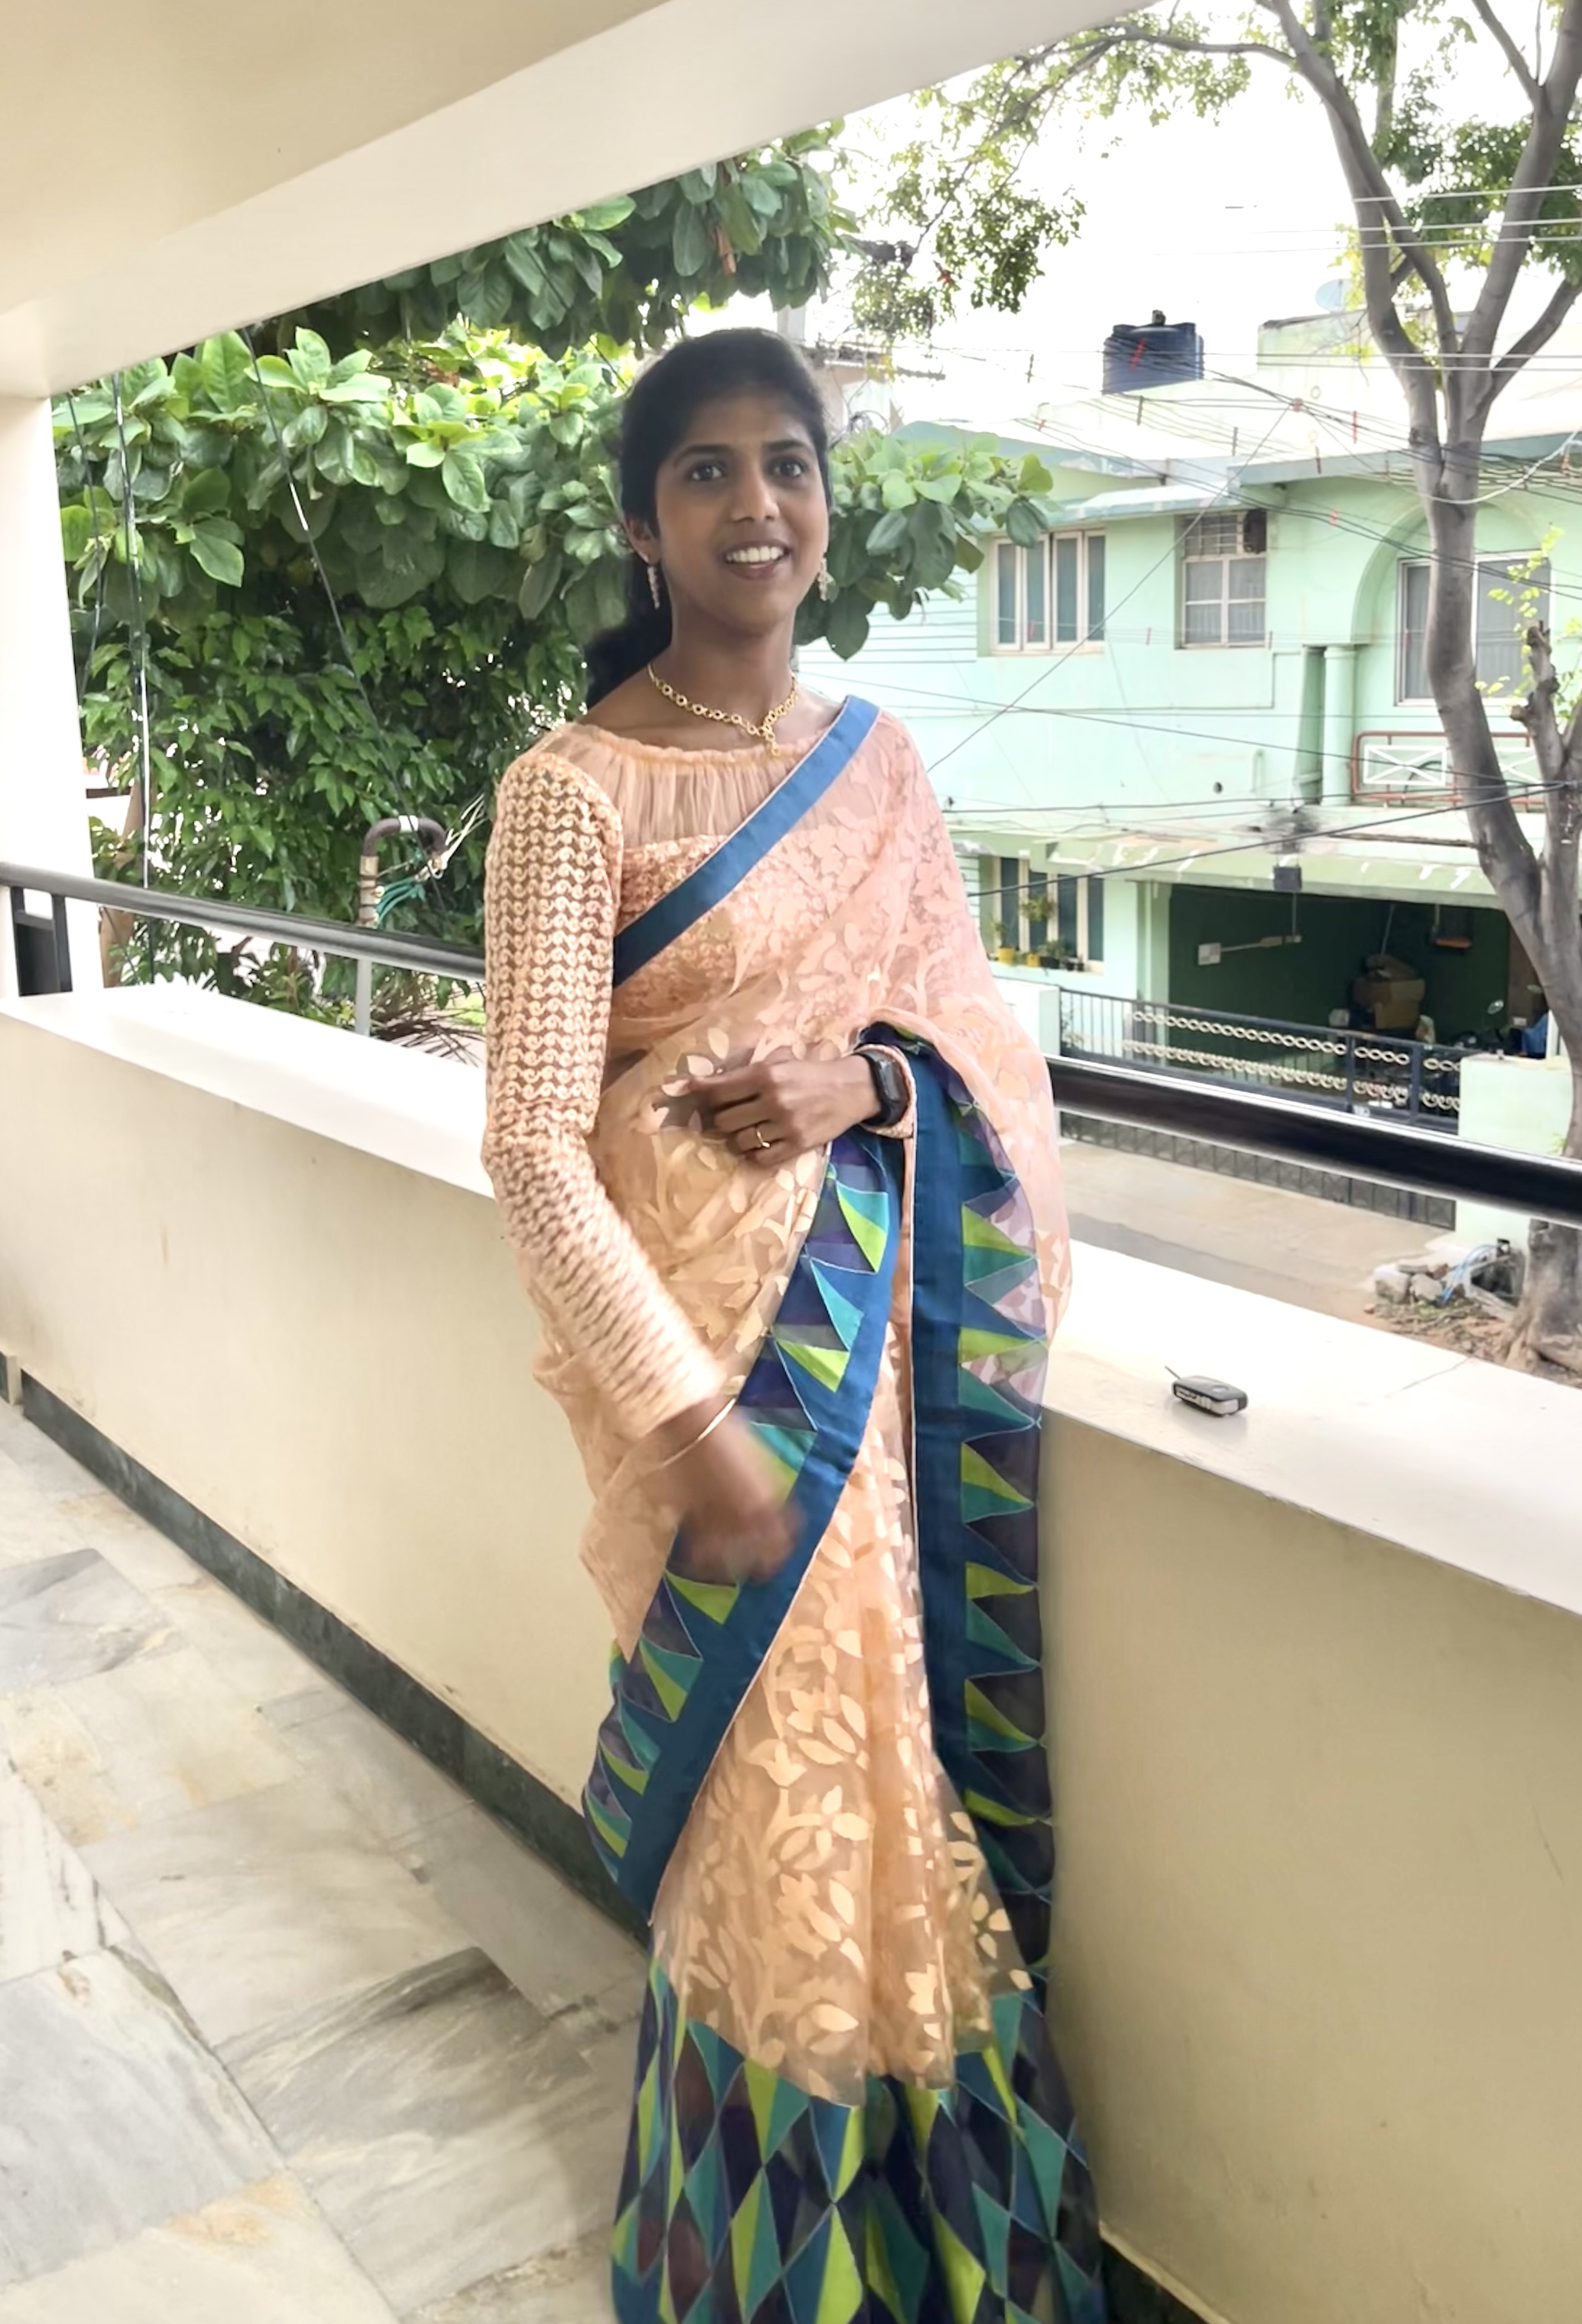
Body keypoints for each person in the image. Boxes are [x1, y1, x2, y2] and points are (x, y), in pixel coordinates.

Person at [482, 327, 1102, 2324]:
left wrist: (874, 1080)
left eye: (789, 463)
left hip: (878, 1383)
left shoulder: (880, 765)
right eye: (707, 471)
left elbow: (973, 1026)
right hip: (723, 1415)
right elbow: (530, 1143)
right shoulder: (569, 794)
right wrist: (690, 1422)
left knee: (887, 1790)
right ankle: (756, 2261)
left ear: (825, 501)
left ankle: (936, 2246)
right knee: (769, 1817)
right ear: (641, 523)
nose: (758, 504)